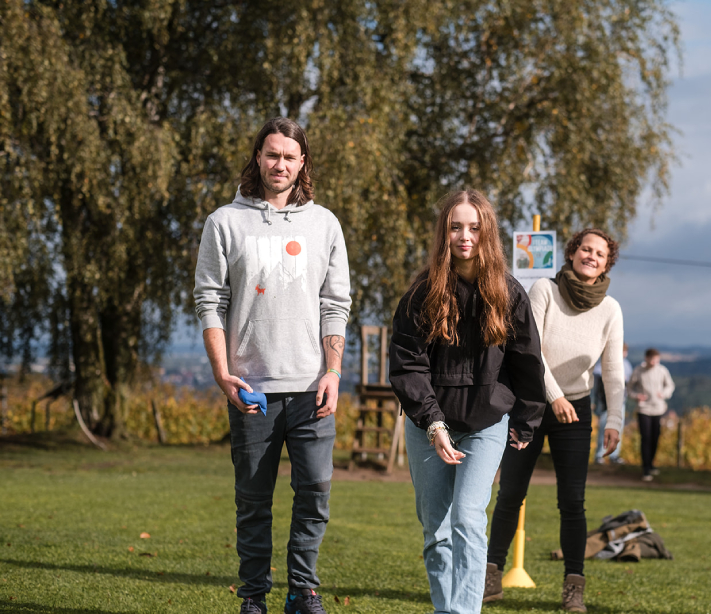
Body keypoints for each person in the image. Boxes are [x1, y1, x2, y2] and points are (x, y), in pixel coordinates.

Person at [194, 117, 351, 614]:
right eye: (271, 154)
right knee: (253, 502)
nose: (279, 164)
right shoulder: (224, 222)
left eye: (289, 156)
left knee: (315, 496)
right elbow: (209, 300)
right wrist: (221, 372)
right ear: (258, 158)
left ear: (302, 163)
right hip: (251, 389)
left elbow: (336, 303)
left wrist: (333, 372)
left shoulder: (324, 224)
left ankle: (303, 592)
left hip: (312, 389)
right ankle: (253, 598)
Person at [388, 189, 545, 614]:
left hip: (485, 424)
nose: (465, 236)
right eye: (456, 227)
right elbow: (407, 366)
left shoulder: (509, 294)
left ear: (486, 233)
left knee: (468, 518)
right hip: (428, 426)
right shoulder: (421, 294)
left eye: (474, 227)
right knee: (436, 531)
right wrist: (434, 424)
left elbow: (528, 362)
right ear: (444, 232)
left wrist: (526, 420)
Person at [485, 228, 625, 613]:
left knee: (573, 502)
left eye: (599, 253)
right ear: (572, 252)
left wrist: (615, 419)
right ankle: (491, 576)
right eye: (585, 249)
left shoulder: (610, 310)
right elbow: (530, 350)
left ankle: (573, 586)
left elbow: (613, 371)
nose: (591, 256)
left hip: (576, 412)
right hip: (530, 404)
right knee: (510, 493)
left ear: (606, 263)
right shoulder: (545, 290)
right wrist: (554, 397)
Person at [627, 348, 675, 481]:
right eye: (652, 360)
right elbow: (629, 388)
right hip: (644, 409)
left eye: (657, 360)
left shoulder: (662, 370)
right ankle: (646, 468)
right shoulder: (638, 371)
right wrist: (636, 396)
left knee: (655, 437)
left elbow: (670, 385)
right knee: (646, 438)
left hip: (658, 409)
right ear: (646, 358)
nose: (654, 363)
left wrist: (664, 394)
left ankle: (651, 463)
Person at [594, 343, 631, 464]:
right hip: (605, 402)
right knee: (604, 428)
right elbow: (598, 378)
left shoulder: (626, 365)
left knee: (618, 428)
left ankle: (614, 455)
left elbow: (629, 381)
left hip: (621, 401)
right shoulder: (603, 364)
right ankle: (600, 454)